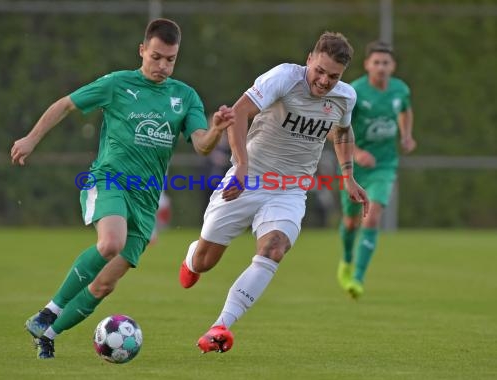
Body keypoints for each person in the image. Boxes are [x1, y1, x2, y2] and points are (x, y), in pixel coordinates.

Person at [10, 18, 235, 359]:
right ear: (142, 50)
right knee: (110, 243)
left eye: (170, 59)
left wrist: (217, 129)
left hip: (145, 201)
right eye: (156, 57)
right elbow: (66, 104)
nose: (162, 66)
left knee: (104, 283)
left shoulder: (184, 96)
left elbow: (202, 145)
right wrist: (31, 138)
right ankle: (49, 311)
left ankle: (48, 334)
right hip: (109, 180)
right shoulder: (117, 84)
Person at [178, 31, 369, 353]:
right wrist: (240, 165)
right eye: (319, 71)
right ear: (309, 59)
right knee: (205, 262)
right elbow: (238, 113)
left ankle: (220, 326)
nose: (324, 81)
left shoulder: (345, 97)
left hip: (291, 190)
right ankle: (193, 257)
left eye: (333, 76)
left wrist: (348, 175)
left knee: (274, 249)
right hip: (248, 179)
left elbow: (342, 131)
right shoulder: (283, 77)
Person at [336, 41, 416, 299]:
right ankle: (347, 261)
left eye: (386, 63)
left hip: (385, 164)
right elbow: (335, 129)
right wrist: (357, 153)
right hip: (355, 168)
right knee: (350, 222)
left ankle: (358, 277)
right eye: (377, 62)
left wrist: (406, 135)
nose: (381, 67)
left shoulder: (400, 89)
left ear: (392, 66)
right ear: (367, 65)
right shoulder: (355, 92)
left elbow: (406, 110)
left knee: (371, 217)